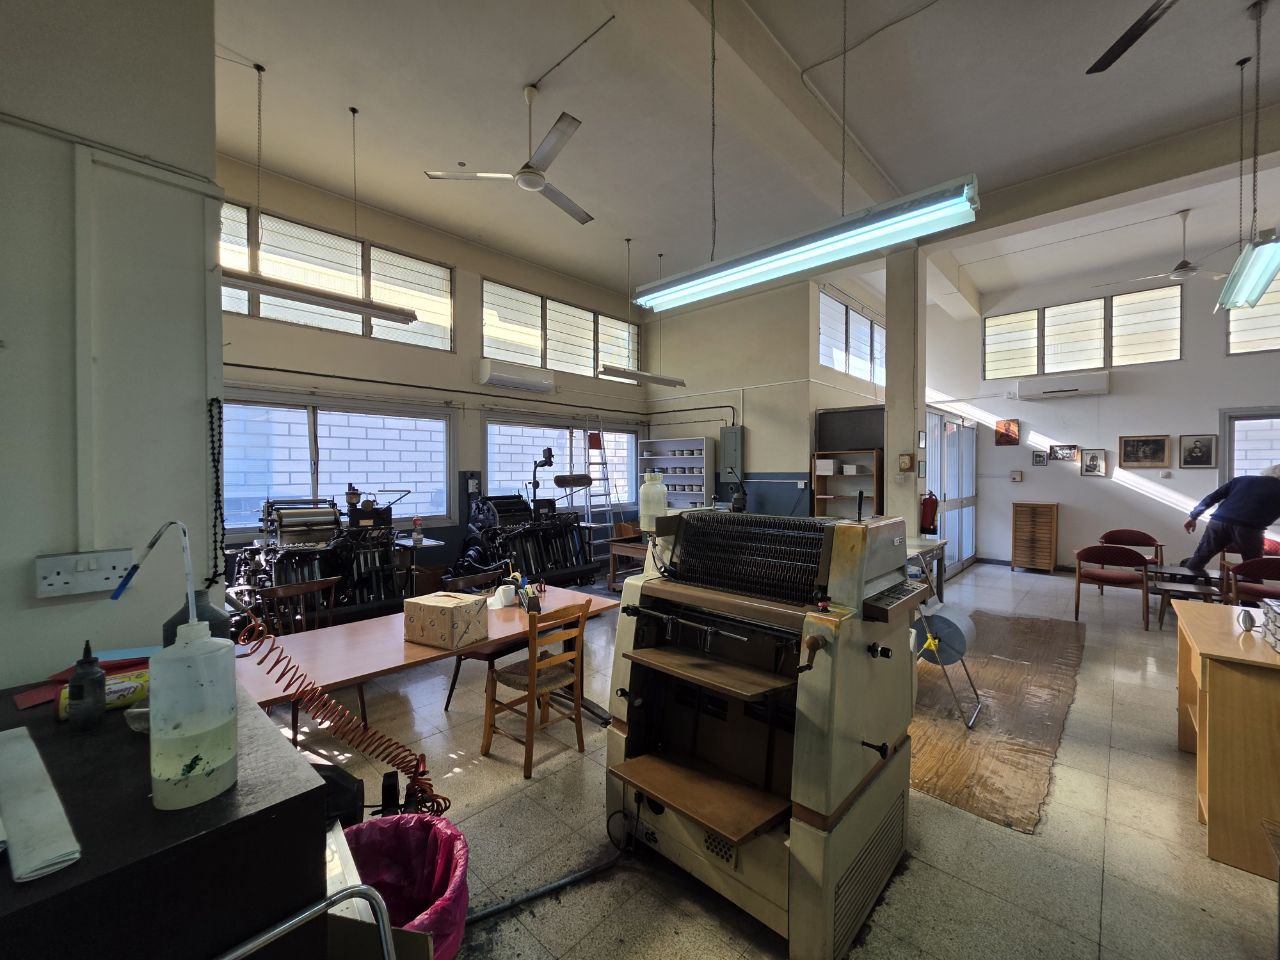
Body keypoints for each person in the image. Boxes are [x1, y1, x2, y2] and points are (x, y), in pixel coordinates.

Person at [1182, 464, 1280, 573]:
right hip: (1248, 528)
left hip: (1218, 522)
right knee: (1253, 566)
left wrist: (1193, 516)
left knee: (1200, 558)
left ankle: (1183, 583)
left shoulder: (1241, 480)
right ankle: (1249, 584)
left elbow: (1211, 498)